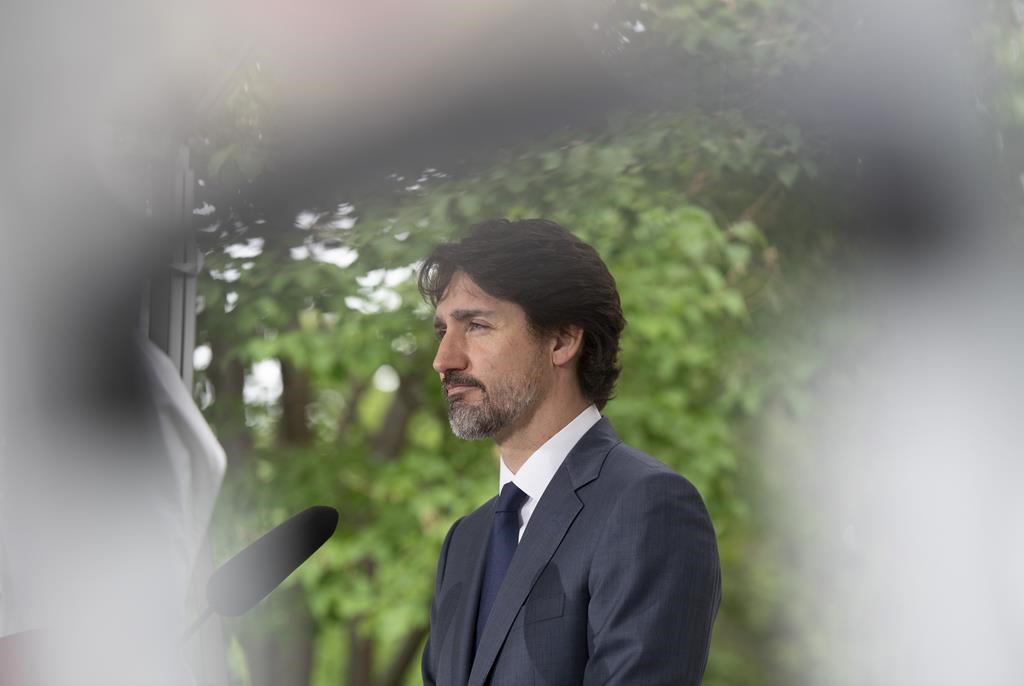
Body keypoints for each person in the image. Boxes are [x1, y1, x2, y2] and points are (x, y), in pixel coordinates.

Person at [418, 218, 721, 686]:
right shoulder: (465, 540)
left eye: (476, 325)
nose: (445, 359)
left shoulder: (648, 505)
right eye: (442, 331)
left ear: (562, 340)